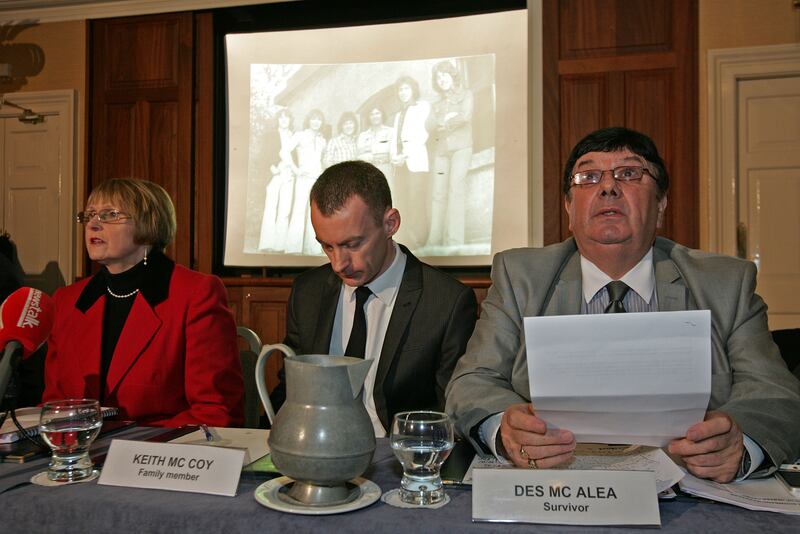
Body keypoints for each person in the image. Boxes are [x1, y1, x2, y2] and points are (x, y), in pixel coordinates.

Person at [446, 127, 800, 483]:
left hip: (687, 488)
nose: (608, 187)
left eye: (629, 173)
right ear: (569, 206)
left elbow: (775, 395)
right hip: (554, 484)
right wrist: (504, 429)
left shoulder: (725, 283)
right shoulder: (521, 276)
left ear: (661, 203)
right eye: (588, 176)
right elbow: (473, 381)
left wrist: (739, 446)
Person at [273, 160, 477, 436]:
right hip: (318, 450)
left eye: (352, 244)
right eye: (327, 246)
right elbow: (290, 392)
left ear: (390, 223)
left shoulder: (445, 303)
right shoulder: (308, 292)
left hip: (399, 460)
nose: (338, 264)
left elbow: (450, 415)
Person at [43, 179, 244, 427]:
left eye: (110, 214)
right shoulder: (67, 300)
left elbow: (216, 412)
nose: (94, 224)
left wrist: (126, 449)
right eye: (90, 215)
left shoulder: (195, 294)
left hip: (160, 457)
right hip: (78, 457)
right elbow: (54, 408)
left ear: (149, 223)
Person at [426, 60, 474, 249]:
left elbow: (465, 116)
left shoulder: (466, 95)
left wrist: (445, 122)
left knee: (456, 190)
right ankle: (435, 241)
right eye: (438, 78)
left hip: (462, 147)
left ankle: (455, 241)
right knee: (438, 194)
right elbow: (429, 126)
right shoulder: (436, 103)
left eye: (444, 75)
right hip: (442, 150)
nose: (441, 80)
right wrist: (442, 121)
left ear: (452, 76)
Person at [390, 76, 431, 250]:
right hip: (399, 164)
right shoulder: (398, 114)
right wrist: (394, 156)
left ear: (413, 89)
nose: (403, 93)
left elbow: (422, 135)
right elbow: (394, 139)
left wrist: (404, 155)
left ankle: (420, 239)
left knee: (416, 199)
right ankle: (406, 240)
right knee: (402, 200)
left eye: (406, 88)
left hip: (415, 160)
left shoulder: (422, 108)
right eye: (400, 90)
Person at [286, 109, 327, 255]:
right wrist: (296, 169)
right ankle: (292, 247)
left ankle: (313, 248)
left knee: (315, 213)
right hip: (303, 178)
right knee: (298, 210)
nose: (316, 122)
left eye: (319, 119)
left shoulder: (322, 140)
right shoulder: (300, 135)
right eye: (313, 119)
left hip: (317, 179)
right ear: (308, 120)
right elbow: (285, 151)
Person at [259, 108, 298, 252]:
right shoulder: (271, 135)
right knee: (271, 207)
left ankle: (280, 245)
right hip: (275, 174)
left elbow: (296, 157)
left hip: (289, 176)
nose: (284, 120)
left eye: (287, 117)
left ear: (290, 120)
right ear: (278, 120)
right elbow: (264, 153)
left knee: (285, 210)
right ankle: (267, 243)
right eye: (281, 117)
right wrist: (271, 168)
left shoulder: (294, 136)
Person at [356, 105, 394, 187]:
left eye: (377, 113)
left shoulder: (390, 132)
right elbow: (359, 155)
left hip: (385, 169)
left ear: (382, 115)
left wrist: (370, 151)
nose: (375, 116)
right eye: (372, 114)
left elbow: (392, 151)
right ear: (369, 117)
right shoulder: (363, 135)